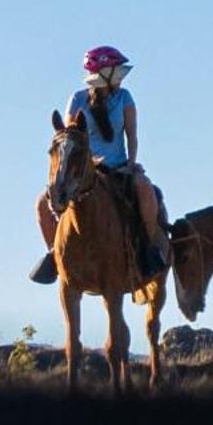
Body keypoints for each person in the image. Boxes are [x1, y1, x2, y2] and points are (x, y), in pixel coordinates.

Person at [32, 45, 170, 284]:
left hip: (117, 168)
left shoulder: (124, 98)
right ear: (103, 75)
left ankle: (147, 248)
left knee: (146, 190)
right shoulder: (77, 99)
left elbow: (131, 136)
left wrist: (132, 164)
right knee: (43, 205)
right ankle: (56, 254)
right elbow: (69, 139)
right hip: (84, 171)